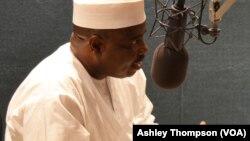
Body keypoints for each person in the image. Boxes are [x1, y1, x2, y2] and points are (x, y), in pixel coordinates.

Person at [5, 0, 156, 141]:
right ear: (96, 45)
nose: (144, 48)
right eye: (133, 42)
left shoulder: (127, 73)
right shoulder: (53, 96)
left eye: (142, 37)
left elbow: (143, 127)